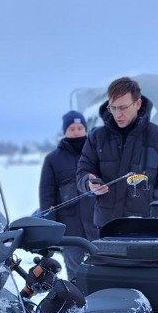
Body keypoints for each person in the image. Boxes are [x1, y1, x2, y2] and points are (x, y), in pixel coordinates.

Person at [76, 76, 158, 234]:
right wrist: (89, 183)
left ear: (137, 104)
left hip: (146, 226)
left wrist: (152, 199)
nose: (117, 114)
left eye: (123, 107)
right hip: (106, 227)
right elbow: (83, 171)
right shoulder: (97, 137)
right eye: (113, 108)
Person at [38, 111, 96, 279]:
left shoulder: (97, 154)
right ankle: (78, 303)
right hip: (70, 228)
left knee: (102, 267)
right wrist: (51, 229)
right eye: (72, 128)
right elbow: (46, 195)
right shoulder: (53, 159)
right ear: (65, 132)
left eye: (80, 127)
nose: (77, 131)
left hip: (97, 225)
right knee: (75, 273)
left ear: (86, 129)